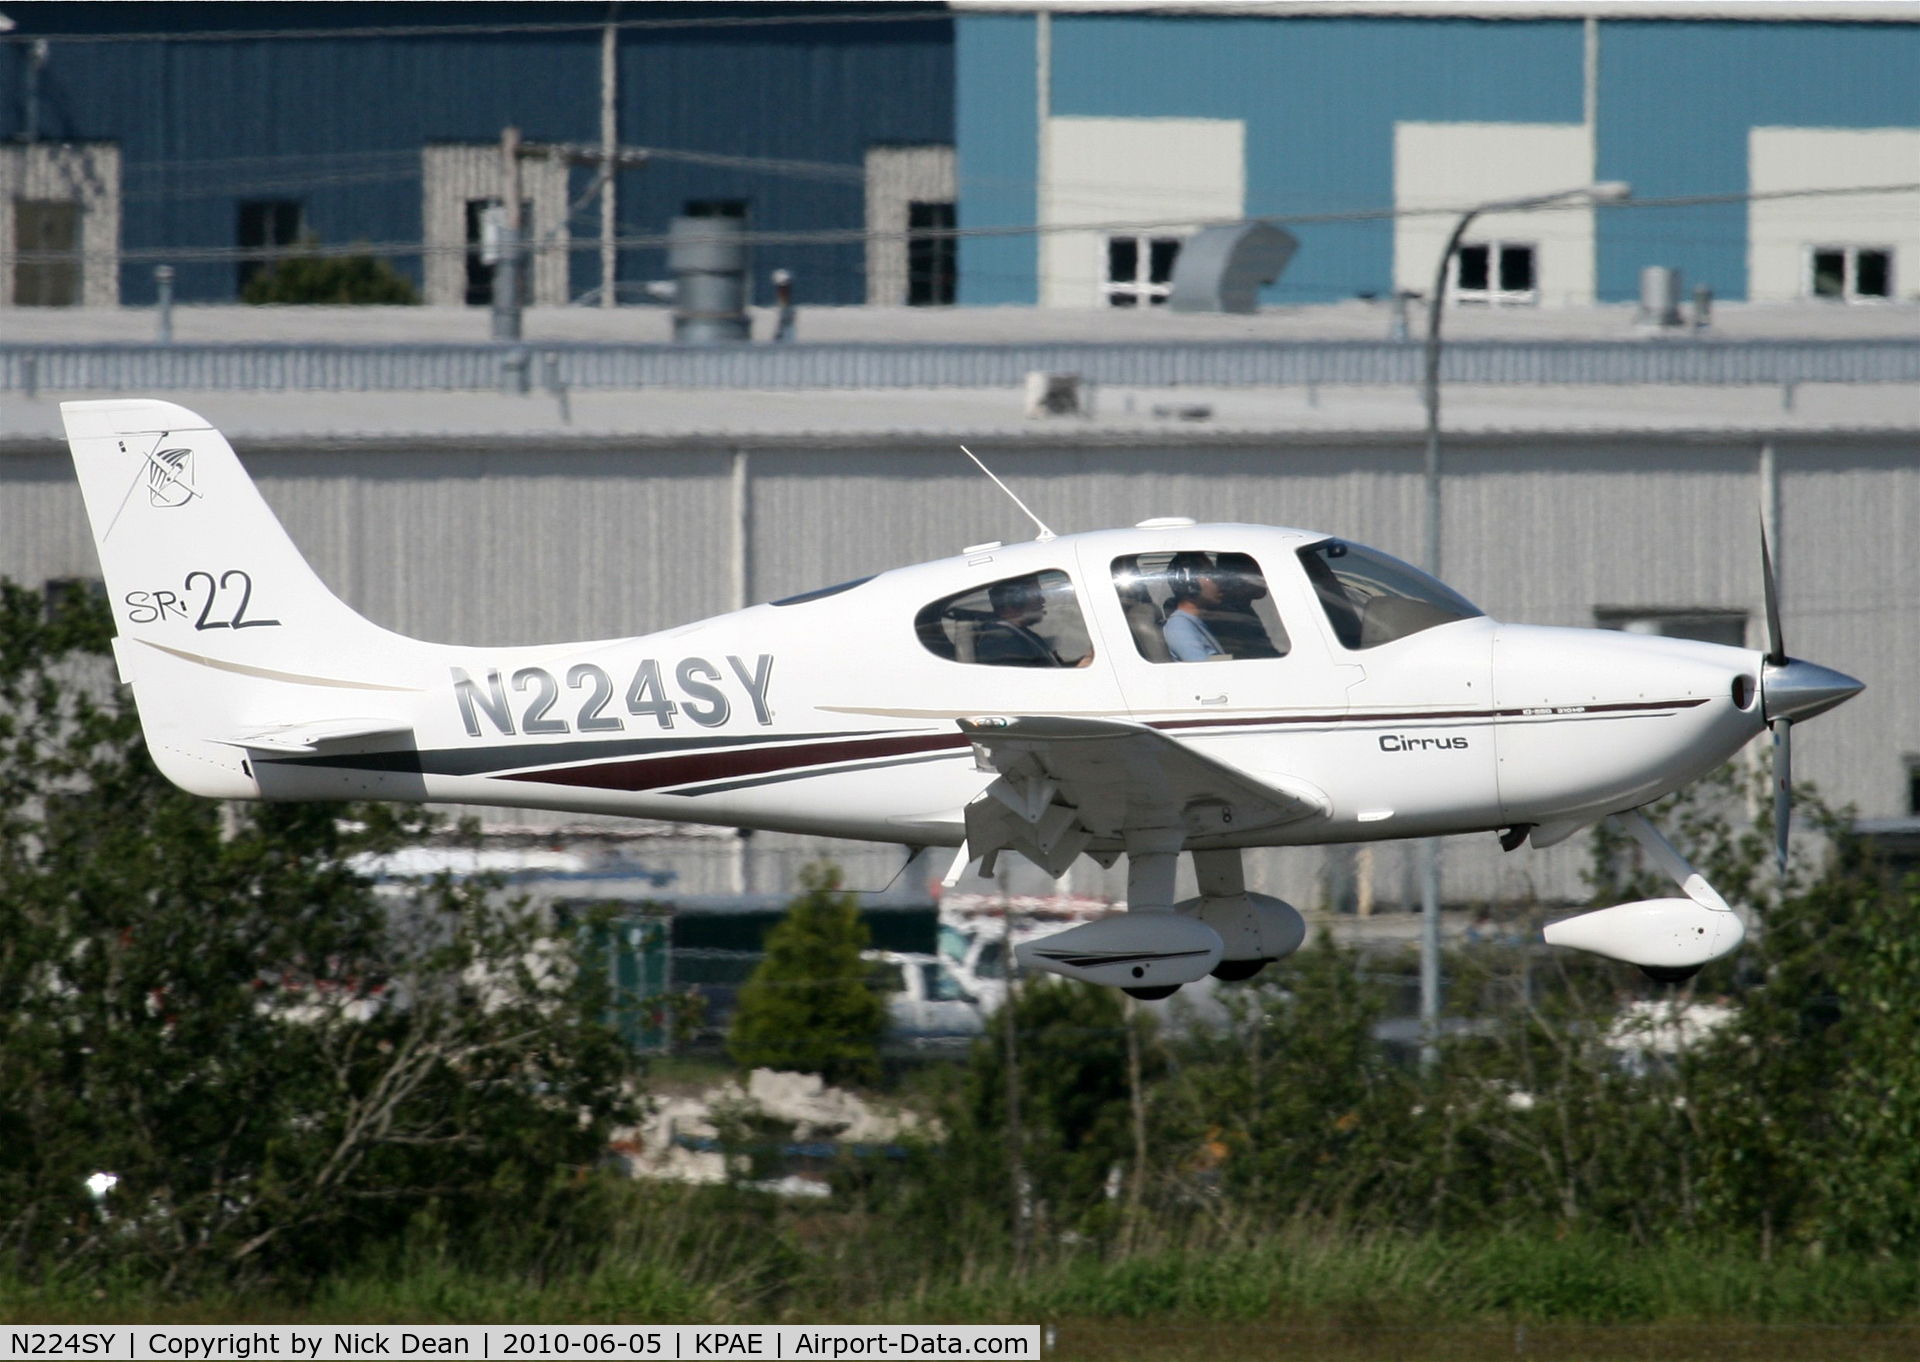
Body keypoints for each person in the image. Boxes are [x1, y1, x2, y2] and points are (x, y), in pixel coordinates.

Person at [1199, 551, 1283, 659]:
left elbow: (1267, 653)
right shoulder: (1225, 616)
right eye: (1255, 570)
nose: (1262, 576)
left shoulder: (1242, 610)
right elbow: (1245, 657)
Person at [973, 576, 1070, 667]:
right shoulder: (1003, 643)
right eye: (1036, 595)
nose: (1042, 600)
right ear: (1015, 600)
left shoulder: (1016, 635)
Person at [1160, 553, 1228, 661]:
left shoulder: (1194, 622)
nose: (1218, 582)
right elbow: (1204, 673)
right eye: (1210, 575)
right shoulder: (1180, 627)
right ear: (1191, 585)